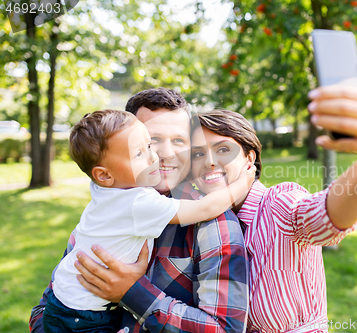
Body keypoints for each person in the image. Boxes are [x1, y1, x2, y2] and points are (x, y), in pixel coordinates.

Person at [188, 57, 357, 332]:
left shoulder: (278, 204)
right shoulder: (202, 222)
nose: (209, 162)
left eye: (223, 149)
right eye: (197, 153)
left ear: (249, 159)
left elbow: (324, 217)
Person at [30, 89, 250, 333]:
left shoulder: (212, 224)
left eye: (179, 141)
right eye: (152, 141)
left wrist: (132, 292)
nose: (164, 154)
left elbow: (225, 329)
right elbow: (46, 308)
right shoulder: (106, 213)